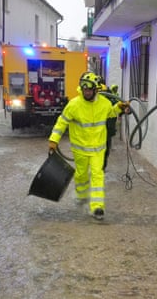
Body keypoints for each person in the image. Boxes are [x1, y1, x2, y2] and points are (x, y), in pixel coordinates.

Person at [48, 72, 129, 220]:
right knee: (81, 175)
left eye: (89, 90)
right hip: (80, 149)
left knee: (98, 175)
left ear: (95, 90)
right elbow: (62, 123)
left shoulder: (104, 103)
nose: (86, 92)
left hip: (98, 148)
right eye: (84, 90)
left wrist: (119, 107)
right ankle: (81, 196)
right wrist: (54, 140)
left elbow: (110, 113)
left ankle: (97, 207)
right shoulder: (74, 105)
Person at [100, 84, 119, 170]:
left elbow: (117, 108)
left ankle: (102, 167)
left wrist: (125, 108)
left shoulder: (110, 100)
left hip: (108, 130)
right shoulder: (93, 101)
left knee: (106, 150)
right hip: (97, 132)